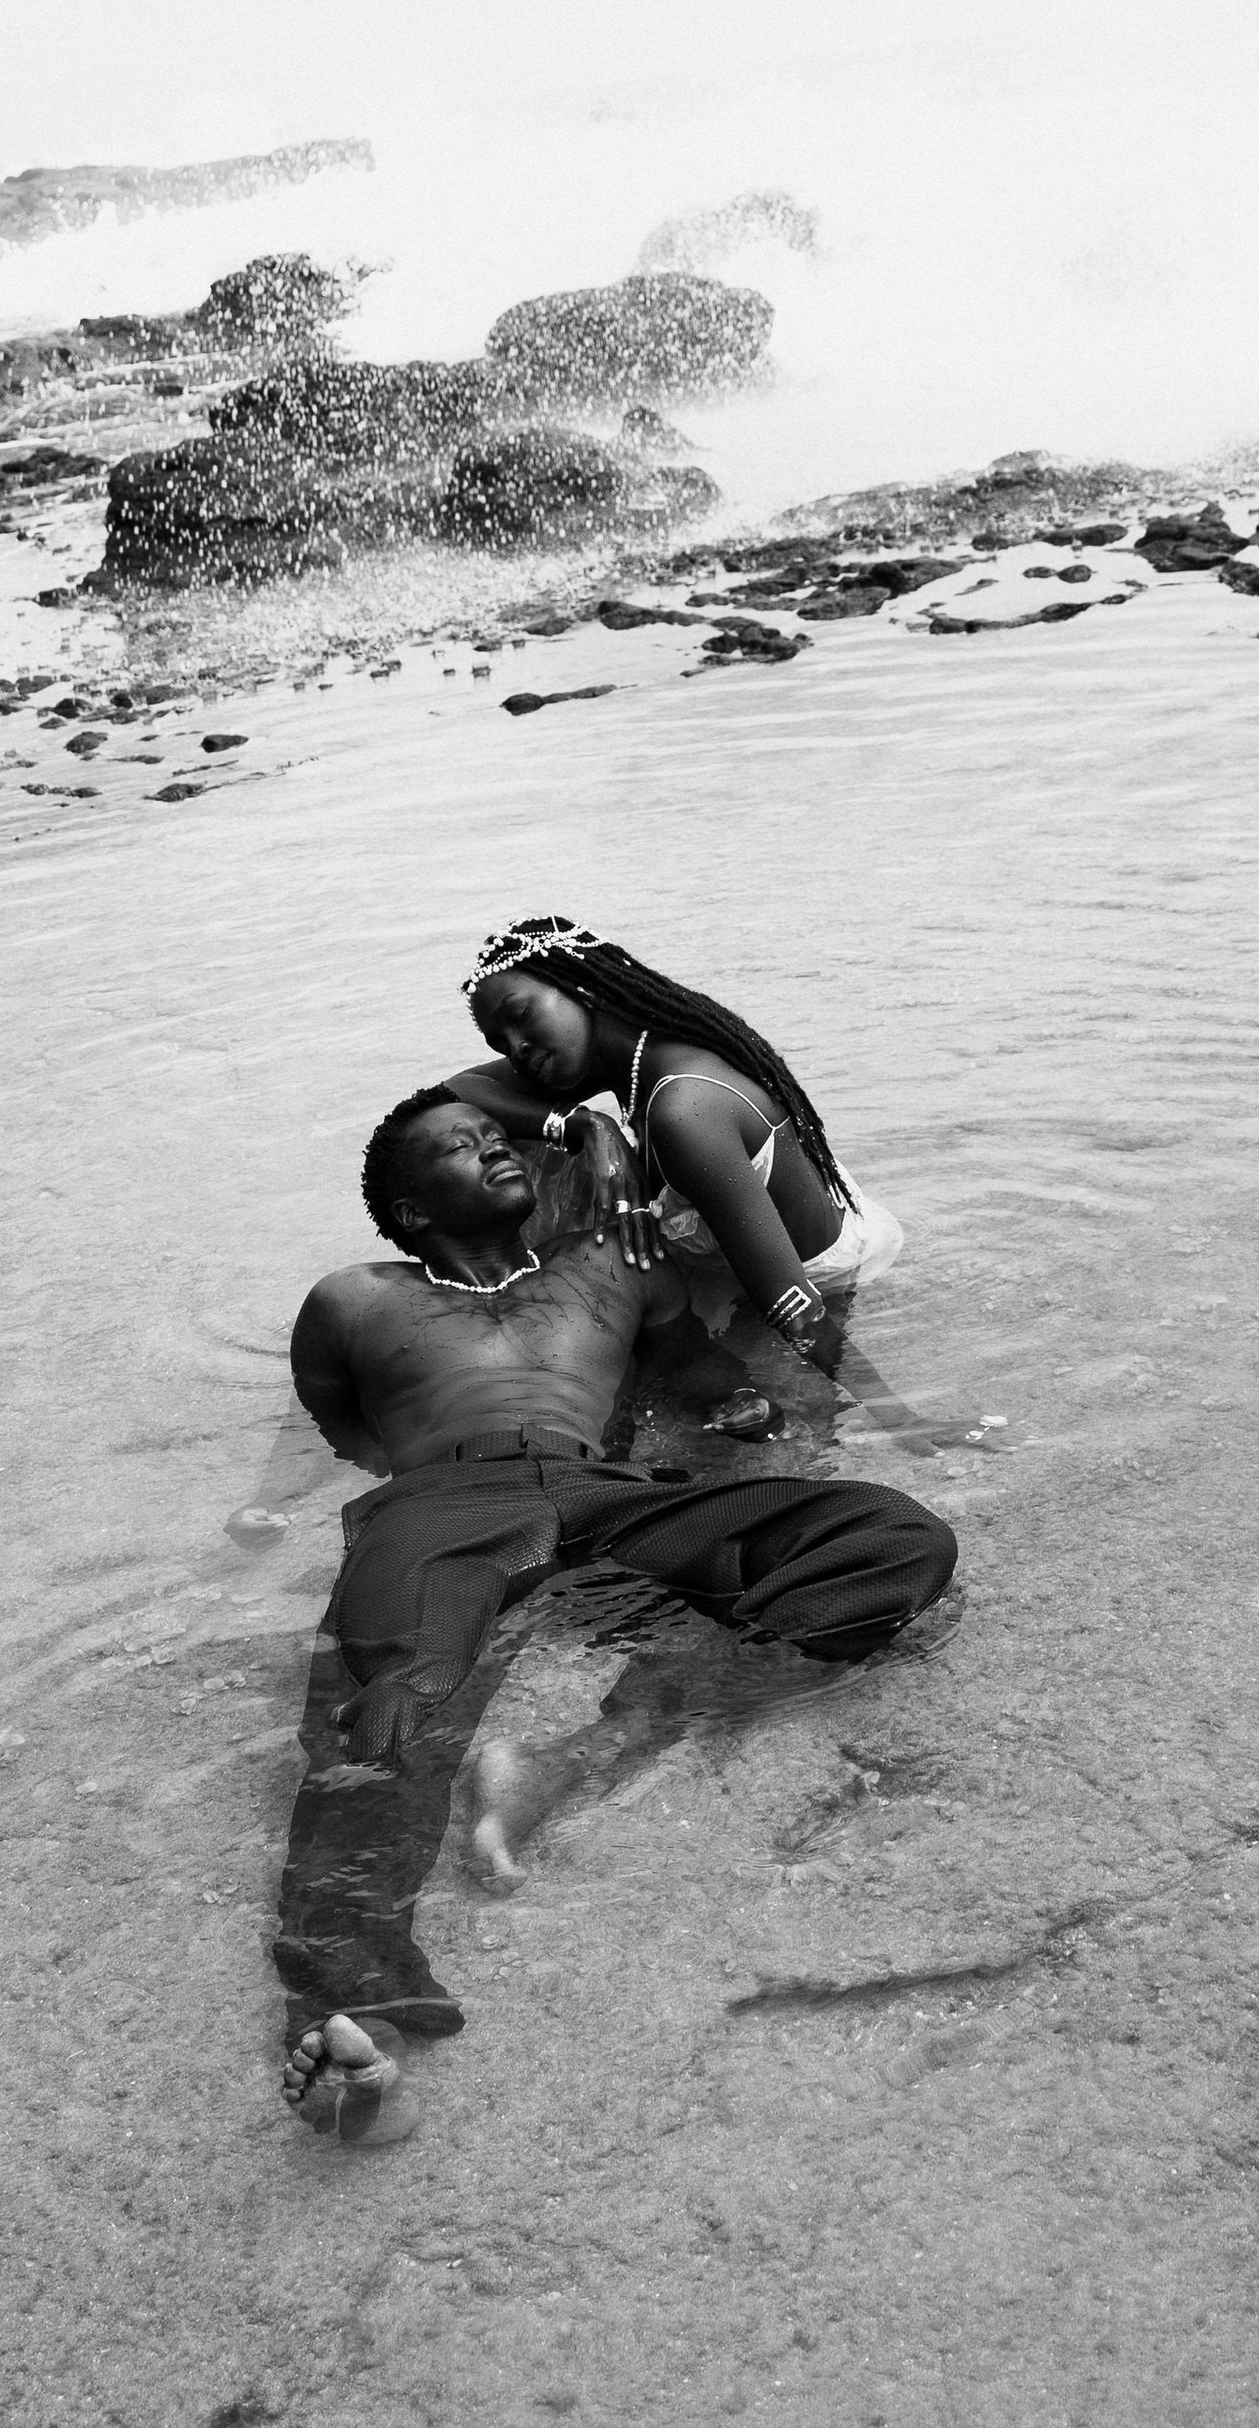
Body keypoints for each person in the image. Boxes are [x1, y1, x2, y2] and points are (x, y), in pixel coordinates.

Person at [273, 1083, 959, 2145]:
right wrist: (265, 1504)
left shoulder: (612, 1269)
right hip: (439, 1504)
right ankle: (349, 2023)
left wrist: (742, 1404)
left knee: (895, 1543)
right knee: (385, 1706)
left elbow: (699, 1370)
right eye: (459, 1149)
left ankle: (576, 1754)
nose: (494, 1150)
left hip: (604, 1491)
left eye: (497, 1137)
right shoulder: (354, 1298)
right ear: (410, 1210)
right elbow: (325, 1428)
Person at [450, 915, 904, 1370]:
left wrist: (903, 1424)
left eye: (520, 1016)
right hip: (752, 1252)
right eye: (500, 1045)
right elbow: (451, 1096)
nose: (517, 1049)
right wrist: (584, 1127)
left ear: (579, 987)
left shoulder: (682, 1110)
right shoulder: (623, 1061)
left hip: (825, 1279)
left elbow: (793, 1306)